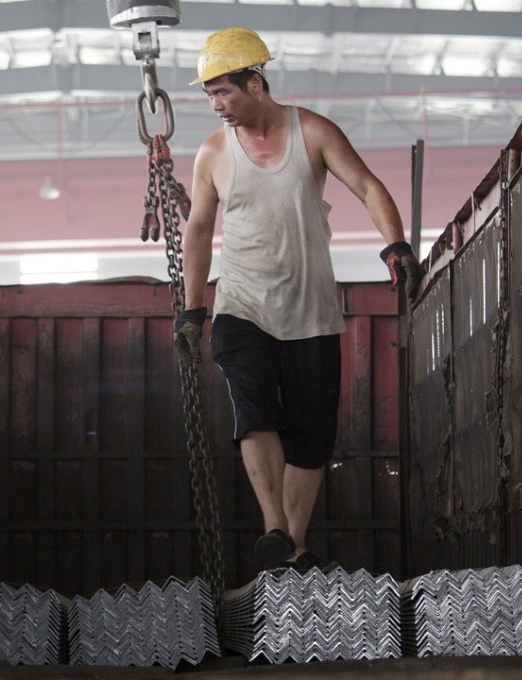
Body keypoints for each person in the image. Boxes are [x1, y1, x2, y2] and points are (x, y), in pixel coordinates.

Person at [173, 27, 423, 573]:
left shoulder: (311, 131)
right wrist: (193, 310)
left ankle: (295, 546)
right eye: (209, 94)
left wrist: (396, 245)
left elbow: (368, 186)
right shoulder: (213, 153)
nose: (216, 105)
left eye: (224, 92)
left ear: (256, 82)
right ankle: (275, 528)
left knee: (311, 435)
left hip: (311, 309)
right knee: (255, 412)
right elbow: (197, 229)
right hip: (242, 306)